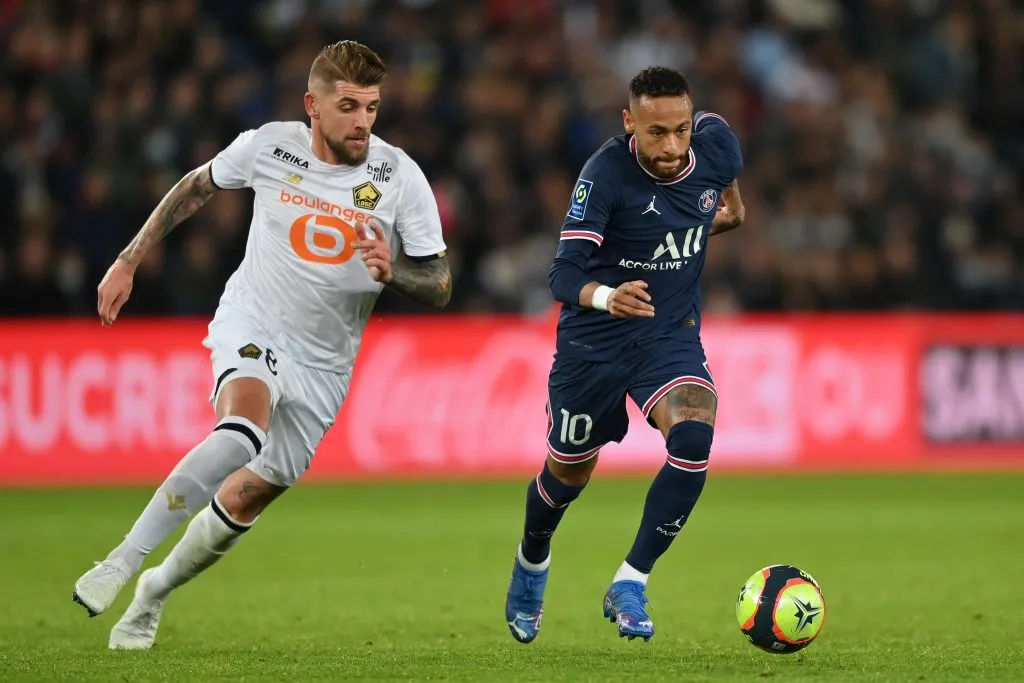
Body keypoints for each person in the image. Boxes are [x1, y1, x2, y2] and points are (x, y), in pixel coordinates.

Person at [72, 40, 451, 650]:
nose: (362, 122)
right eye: (348, 106)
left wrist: (394, 273)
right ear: (313, 105)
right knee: (241, 430)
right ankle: (119, 561)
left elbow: (439, 282)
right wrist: (127, 260)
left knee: (247, 499)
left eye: (372, 108)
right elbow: (196, 186)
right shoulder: (267, 146)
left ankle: (152, 594)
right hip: (255, 322)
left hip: (327, 364)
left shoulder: (399, 176)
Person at [504, 66, 745, 643]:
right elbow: (562, 275)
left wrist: (703, 225)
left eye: (681, 130)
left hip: (668, 334)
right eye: (656, 132)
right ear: (629, 121)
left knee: (694, 433)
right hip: (594, 344)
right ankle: (533, 555)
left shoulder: (717, 147)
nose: (671, 146)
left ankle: (631, 580)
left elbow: (732, 209)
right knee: (565, 478)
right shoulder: (604, 174)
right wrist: (610, 295)